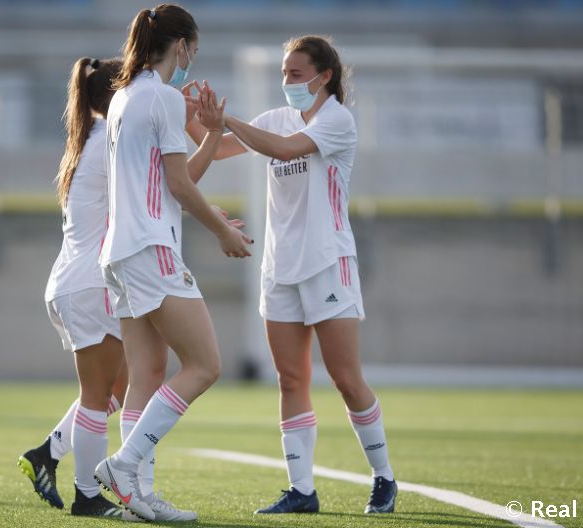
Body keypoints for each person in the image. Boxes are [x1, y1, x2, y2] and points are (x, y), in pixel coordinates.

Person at [184, 34, 398, 515]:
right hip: (279, 268)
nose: (287, 82)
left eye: (296, 74)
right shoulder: (276, 118)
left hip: (328, 265)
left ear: (324, 77)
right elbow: (216, 150)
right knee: (289, 379)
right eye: (284, 73)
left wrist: (226, 119)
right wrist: (191, 115)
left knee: (345, 378)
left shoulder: (337, 120)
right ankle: (302, 490)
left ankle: (383, 477)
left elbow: (282, 150)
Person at [93, 4, 253, 522]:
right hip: (150, 249)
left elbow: (174, 180)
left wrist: (208, 134)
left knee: (148, 375)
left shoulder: (125, 96)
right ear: (181, 46)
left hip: (120, 250)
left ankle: (138, 493)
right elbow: (181, 187)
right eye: (194, 51)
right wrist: (223, 230)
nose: (192, 61)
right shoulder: (160, 97)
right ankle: (124, 465)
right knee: (205, 365)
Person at [16, 57, 127, 519]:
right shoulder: (108, 141)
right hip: (89, 284)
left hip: (75, 282)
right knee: (100, 395)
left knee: (117, 385)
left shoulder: (87, 138)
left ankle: (48, 451)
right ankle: (87, 495)